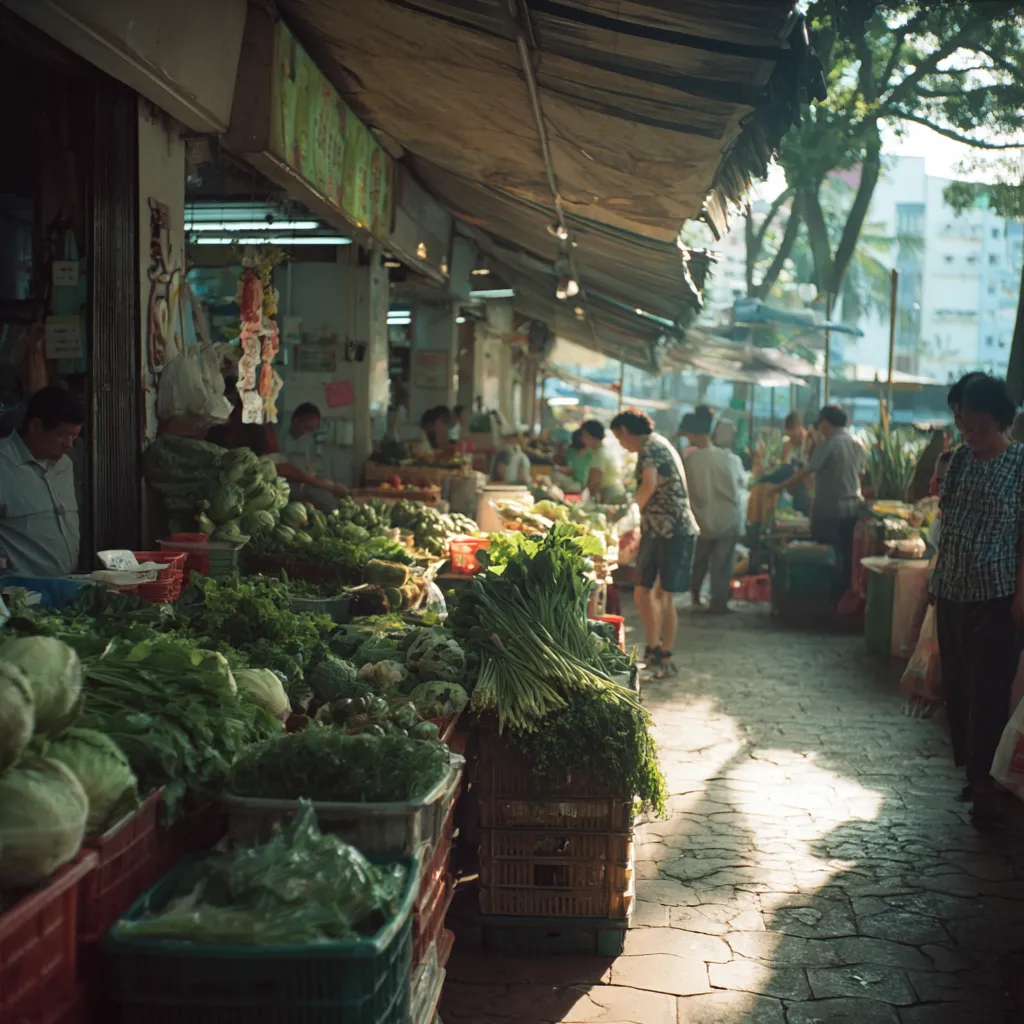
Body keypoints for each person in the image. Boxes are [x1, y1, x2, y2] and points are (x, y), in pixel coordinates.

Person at [930, 374, 1024, 829]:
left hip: (996, 595)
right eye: (966, 425)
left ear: (1002, 423)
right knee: (960, 689)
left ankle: (986, 784)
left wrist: (1021, 595)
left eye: (981, 427)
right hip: (951, 593)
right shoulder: (962, 460)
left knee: (988, 692)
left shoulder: (1020, 465)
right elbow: (947, 524)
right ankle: (973, 771)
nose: (972, 435)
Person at [611, 408, 698, 677]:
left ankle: (665, 655)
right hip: (655, 529)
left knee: (665, 595)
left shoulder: (651, 447)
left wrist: (628, 519)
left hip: (674, 530)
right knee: (641, 591)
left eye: (619, 438)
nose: (621, 444)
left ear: (626, 431)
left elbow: (648, 486)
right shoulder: (656, 445)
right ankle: (652, 648)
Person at [770, 406, 864, 599]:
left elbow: (806, 472)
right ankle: (841, 598)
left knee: (825, 555)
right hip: (852, 509)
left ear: (825, 422)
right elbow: (861, 474)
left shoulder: (829, 444)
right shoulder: (856, 443)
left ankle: (824, 598)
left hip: (829, 510)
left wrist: (777, 488)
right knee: (846, 556)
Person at [0, 386, 84, 576]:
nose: (69, 445)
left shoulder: (66, 465)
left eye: (75, 436)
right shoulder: (4, 464)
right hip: (19, 595)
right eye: (62, 435)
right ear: (36, 426)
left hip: (66, 589)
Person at [685, 416, 746, 612]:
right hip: (727, 518)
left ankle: (695, 596)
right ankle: (718, 602)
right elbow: (741, 485)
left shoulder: (690, 460)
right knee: (722, 563)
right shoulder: (730, 459)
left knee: (699, 560)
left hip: (701, 518)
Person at [274, 402, 348, 512]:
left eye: (312, 429)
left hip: (302, 486)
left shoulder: (308, 441)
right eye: (307, 428)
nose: (308, 433)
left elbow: (311, 472)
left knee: (329, 500)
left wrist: (329, 484)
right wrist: (328, 487)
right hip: (279, 487)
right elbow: (286, 470)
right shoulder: (278, 435)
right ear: (297, 421)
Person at [579, 420, 626, 503]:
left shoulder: (600, 454)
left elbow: (595, 482)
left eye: (584, 435)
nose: (582, 438)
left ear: (593, 437)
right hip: (617, 492)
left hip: (610, 496)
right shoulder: (604, 450)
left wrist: (586, 501)